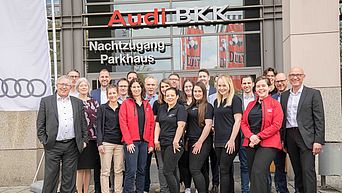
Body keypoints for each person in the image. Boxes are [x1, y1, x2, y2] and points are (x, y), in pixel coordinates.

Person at [37, 75, 87, 193]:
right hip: (53, 145)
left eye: (67, 85)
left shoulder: (78, 102)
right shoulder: (46, 101)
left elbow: (83, 123)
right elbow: (40, 124)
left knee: (69, 179)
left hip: (71, 145)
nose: (64, 87)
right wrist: (45, 141)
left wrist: (84, 141)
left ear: (71, 87)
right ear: (57, 85)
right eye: (62, 84)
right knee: (50, 178)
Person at [280, 67, 325, 193]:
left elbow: (319, 119)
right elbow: (283, 119)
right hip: (290, 136)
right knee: (297, 171)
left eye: (298, 74)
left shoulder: (313, 94)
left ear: (303, 76)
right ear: (289, 78)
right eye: (292, 75)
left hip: (307, 137)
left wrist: (318, 140)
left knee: (308, 170)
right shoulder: (284, 96)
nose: (295, 77)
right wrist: (282, 140)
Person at [241, 76, 283, 193]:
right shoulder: (250, 105)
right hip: (251, 142)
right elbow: (243, 123)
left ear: (269, 87)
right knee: (254, 174)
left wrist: (259, 136)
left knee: (258, 171)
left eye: (263, 85)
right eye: (258, 86)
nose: (261, 88)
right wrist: (251, 136)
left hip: (269, 143)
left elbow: (276, 125)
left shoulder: (275, 104)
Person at [119, 78, 155, 193]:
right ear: (130, 89)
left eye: (138, 87)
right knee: (131, 170)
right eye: (134, 87)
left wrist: (150, 143)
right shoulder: (125, 103)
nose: (136, 89)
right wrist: (128, 142)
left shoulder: (147, 104)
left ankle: (140, 191)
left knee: (141, 170)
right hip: (132, 143)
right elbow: (123, 123)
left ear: (141, 89)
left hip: (144, 142)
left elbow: (151, 125)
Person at [154, 87, 187, 193]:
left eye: (172, 95)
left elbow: (181, 125)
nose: (169, 97)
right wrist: (156, 140)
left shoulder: (180, 108)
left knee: (167, 171)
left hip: (174, 144)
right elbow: (158, 125)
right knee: (171, 171)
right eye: (167, 95)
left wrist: (176, 141)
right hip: (163, 143)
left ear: (177, 97)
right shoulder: (162, 108)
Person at [213, 75, 243, 193]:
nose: (221, 88)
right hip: (218, 140)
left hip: (230, 140)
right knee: (227, 169)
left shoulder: (235, 100)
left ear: (229, 85)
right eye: (219, 85)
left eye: (224, 85)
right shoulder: (217, 101)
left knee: (223, 169)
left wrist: (231, 140)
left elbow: (238, 121)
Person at [187, 81, 214, 193]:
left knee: (194, 169)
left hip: (203, 141)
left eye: (199, 91)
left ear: (204, 93)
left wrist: (200, 142)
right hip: (191, 140)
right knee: (202, 169)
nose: (197, 93)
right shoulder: (191, 106)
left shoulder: (208, 106)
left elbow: (208, 125)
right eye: (195, 91)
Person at [96, 85, 124, 193]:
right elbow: (98, 126)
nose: (112, 95)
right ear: (107, 95)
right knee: (105, 171)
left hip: (119, 143)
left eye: (114, 93)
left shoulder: (122, 107)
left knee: (118, 170)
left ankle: (118, 190)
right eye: (110, 94)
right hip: (106, 143)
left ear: (118, 94)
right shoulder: (102, 108)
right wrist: (100, 143)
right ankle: (105, 191)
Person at [75, 78, 100, 193]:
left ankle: (86, 191)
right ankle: (79, 191)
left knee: (89, 167)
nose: (84, 87)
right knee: (80, 168)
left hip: (93, 138)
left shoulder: (94, 101)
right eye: (81, 86)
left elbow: (98, 118)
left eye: (85, 85)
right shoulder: (74, 101)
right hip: (80, 138)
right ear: (77, 88)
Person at [197, 69, 219, 193]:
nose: (202, 78)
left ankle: (215, 184)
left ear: (208, 77)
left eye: (204, 76)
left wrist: (213, 126)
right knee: (203, 162)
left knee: (214, 161)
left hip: (214, 131)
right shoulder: (197, 91)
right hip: (202, 132)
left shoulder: (215, 91)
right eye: (200, 76)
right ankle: (204, 185)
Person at [268, 73, 290, 193]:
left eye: (282, 81)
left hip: (291, 136)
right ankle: (282, 190)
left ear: (286, 81)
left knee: (297, 166)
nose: (280, 84)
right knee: (279, 166)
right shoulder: (272, 98)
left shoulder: (293, 96)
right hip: (276, 137)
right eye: (277, 81)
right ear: (274, 83)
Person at [91, 68, 111, 193]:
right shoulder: (93, 93)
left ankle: (111, 187)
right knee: (97, 163)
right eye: (102, 77)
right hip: (97, 132)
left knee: (112, 165)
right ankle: (98, 189)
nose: (104, 79)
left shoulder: (115, 92)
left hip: (111, 132)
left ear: (109, 78)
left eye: (106, 77)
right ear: (99, 79)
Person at [152, 78, 172, 193]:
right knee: (162, 166)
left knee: (173, 166)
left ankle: (174, 187)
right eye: (162, 87)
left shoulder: (177, 103)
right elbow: (156, 124)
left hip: (173, 140)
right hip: (159, 140)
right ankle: (164, 189)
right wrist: (156, 140)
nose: (164, 89)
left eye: (166, 86)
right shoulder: (157, 104)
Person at [238, 75, 255, 193]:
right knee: (244, 165)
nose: (246, 85)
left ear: (253, 84)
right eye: (244, 83)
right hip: (243, 137)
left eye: (248, 83)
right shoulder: (237, 99)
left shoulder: (259, 97)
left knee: (260, 166)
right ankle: (245, 190)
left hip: (258, 137)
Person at [179, 79, 195, 193]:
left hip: (195, 136)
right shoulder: (180, 102)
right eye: (186, 87)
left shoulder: (198, 100)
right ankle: (187, 186)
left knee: (196, 164)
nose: (188, 89)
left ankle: (199, 186)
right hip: (183, 137)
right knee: (184, 163)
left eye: (190, 86)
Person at [144, 76, 159, 193]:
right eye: (148, 85)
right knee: (145, 165)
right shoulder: (140, 99)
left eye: (153, 85)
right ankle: (145, 188)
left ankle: (163, 186)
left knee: (161, 165)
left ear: (156, 86)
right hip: (145, 136)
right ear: (145, 86)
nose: (150, 87)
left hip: (158, 136)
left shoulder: (160, 100)